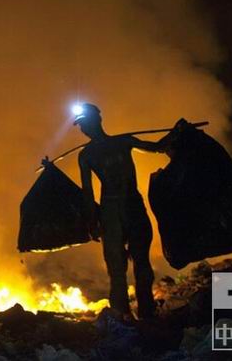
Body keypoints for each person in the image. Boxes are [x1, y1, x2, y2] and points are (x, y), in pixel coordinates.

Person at [57, 103, 185, 320]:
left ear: (97, 120)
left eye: (85, 123)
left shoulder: (122, 142)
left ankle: (147, 312)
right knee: (116, 268)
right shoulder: (87, 155)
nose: (84, 129)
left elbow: (157, 147)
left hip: (132, 206)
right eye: (81, 126)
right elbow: (87, 191)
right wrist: (92, 220)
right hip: (110, 211)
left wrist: (177, 132)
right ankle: (122, 315)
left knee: (141, 262)